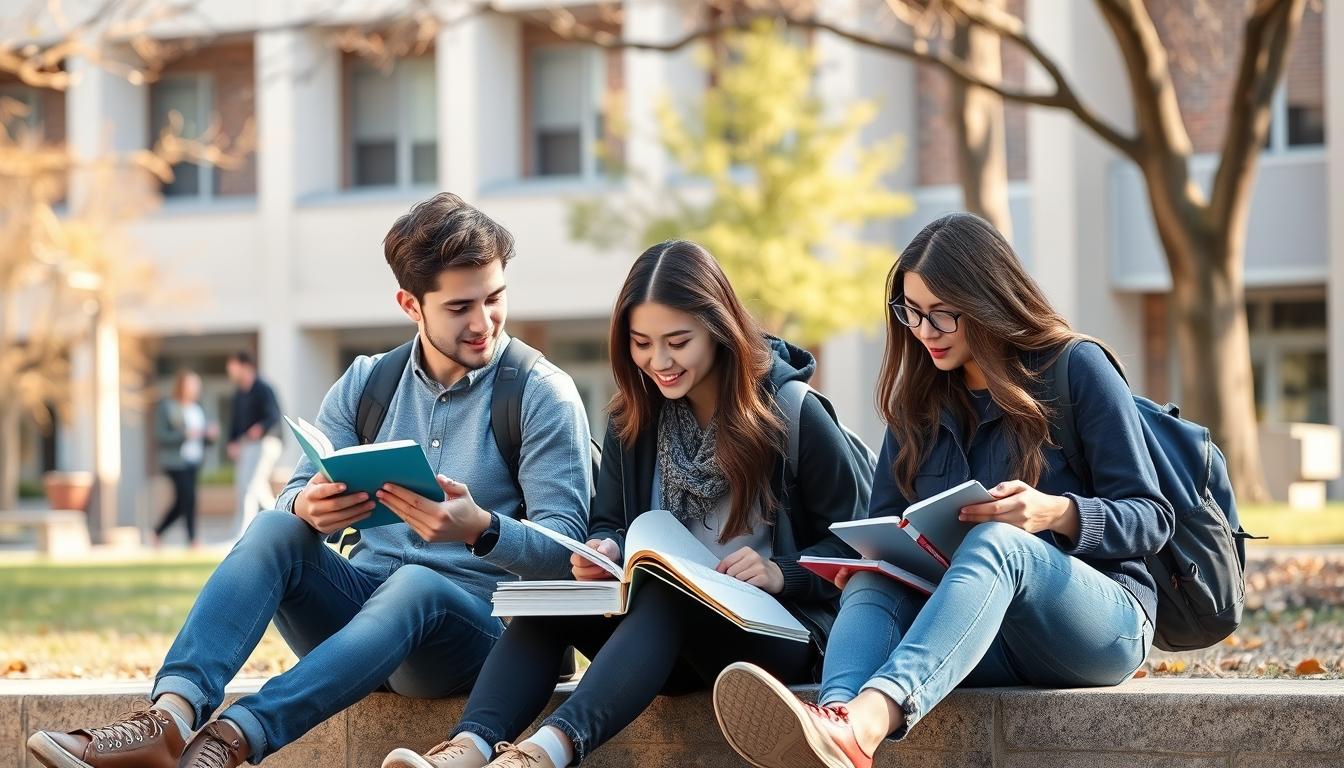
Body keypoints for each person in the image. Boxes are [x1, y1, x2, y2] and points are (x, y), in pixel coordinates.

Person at [26, 192, 593, 768]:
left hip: (474, 638)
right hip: (356, 622)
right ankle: (167, 720)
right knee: (275, 528)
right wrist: (307, 508)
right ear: (410, 304)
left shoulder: (540, 393)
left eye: (495, 299)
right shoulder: (368, 383)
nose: (483, 323)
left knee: (417, 584)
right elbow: (294, 490)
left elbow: (569, 553)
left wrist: (482, 530)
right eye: (459, 307)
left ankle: (232, 743)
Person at [380, 239, 870, 768]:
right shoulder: (632, 418)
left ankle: (544, 754)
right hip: (661, 639)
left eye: (678, 342)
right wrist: (605, 546)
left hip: (774, 640)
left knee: (670, 593)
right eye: (641, 343)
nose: (659, 361)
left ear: (719, 330)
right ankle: (466, 749)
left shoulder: (793, 414)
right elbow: (613, 518)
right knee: (554, 600)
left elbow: (857, 549)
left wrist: (780, 574)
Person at [712, 212, 1173, 768]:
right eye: (911, 312)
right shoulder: (918, 406)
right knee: (871, 580)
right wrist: (865, 561)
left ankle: (865, 723)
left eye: (942, 315)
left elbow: (1151, 517)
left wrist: (1053, 513)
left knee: (997, 543)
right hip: (976, 633)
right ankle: (831, 726)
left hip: (1099, 626)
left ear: (987, 302)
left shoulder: (1076, 369)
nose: (924, 331)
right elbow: (884, 530)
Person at [152, 369, 218, 548]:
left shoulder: (198, 409)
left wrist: (209, 436)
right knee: (188, 498)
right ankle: (192, 540)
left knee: (184, 501)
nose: (195, 389)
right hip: (175, 461)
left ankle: (158, 531)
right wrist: (184, 434)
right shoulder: (168, 406)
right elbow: (161, 435)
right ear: (181, 386)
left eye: (197, 385)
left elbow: (202, 436)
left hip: (194, 461)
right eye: (191, 385)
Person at [225, 349, 283, 538]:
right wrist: (232, 442)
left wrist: (260, 428)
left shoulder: (263, 388)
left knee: (249, 485)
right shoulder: (239, 393)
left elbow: (274, 416)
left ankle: (242, 534)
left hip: (267, 443)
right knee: (256, 487)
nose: (230, 371)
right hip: (248, 446)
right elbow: (234, 422)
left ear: (245, 366)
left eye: (233, 367)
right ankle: (282, 520)